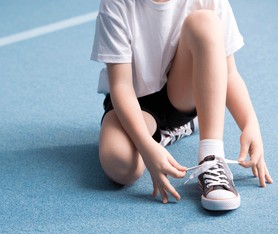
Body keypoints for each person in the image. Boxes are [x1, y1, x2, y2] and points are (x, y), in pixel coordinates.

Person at [90, 0, 273, 211]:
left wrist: (250, 123)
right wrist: (146, 147)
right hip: (135, 103)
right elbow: (121, 86)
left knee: (204, 22)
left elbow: (229, 73)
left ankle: (211, 157)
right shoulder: (116, 4)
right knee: (120, 167)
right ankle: (164, 135)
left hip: (180, 94)